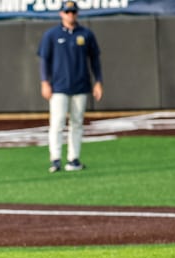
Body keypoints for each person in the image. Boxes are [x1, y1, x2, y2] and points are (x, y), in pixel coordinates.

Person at [37, 1, 103, 173]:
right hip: (58, 86)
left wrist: (98, 82)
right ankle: (55, 159)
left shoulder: (85, 34)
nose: (70, 15)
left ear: (77, 13)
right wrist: (45, 82)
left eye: (73, 12)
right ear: (61, 13)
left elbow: (95, 59)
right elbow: (44, 60)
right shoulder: (52, 35)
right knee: (57, 123)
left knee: (77, 123)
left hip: (81, 85)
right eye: (67, 12)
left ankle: (73, 159)